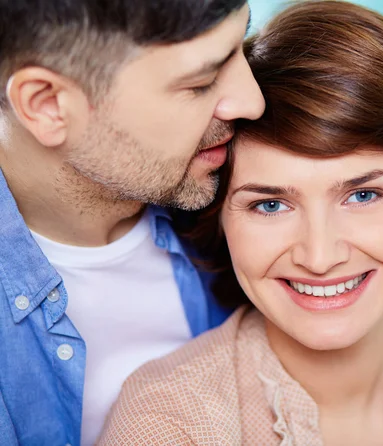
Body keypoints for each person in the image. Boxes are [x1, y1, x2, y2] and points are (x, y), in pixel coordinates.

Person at [98, 1, 383, 445]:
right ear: (220, 218)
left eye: (363, 195)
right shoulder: (164, 422)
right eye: (270, 205)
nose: (319, 256)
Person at [0, 0, 265, 444]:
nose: (253, 102)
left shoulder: (250, 186)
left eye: (241, 46)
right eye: (201, 82)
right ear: (48, 105)